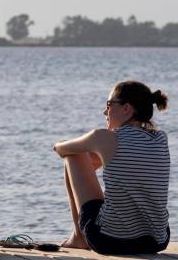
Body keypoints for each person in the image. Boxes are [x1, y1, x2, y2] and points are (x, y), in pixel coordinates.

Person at [53, 80, 170, 255]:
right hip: (157, 241)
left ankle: (79, 238)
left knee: (74, 156)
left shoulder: (102, 137)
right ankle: (82, 234)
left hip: (109, 240)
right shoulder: (161, 138)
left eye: (109, 105)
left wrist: (63, 147)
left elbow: (61, 149)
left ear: (126, 109)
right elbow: (126, 163)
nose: (104, 111)